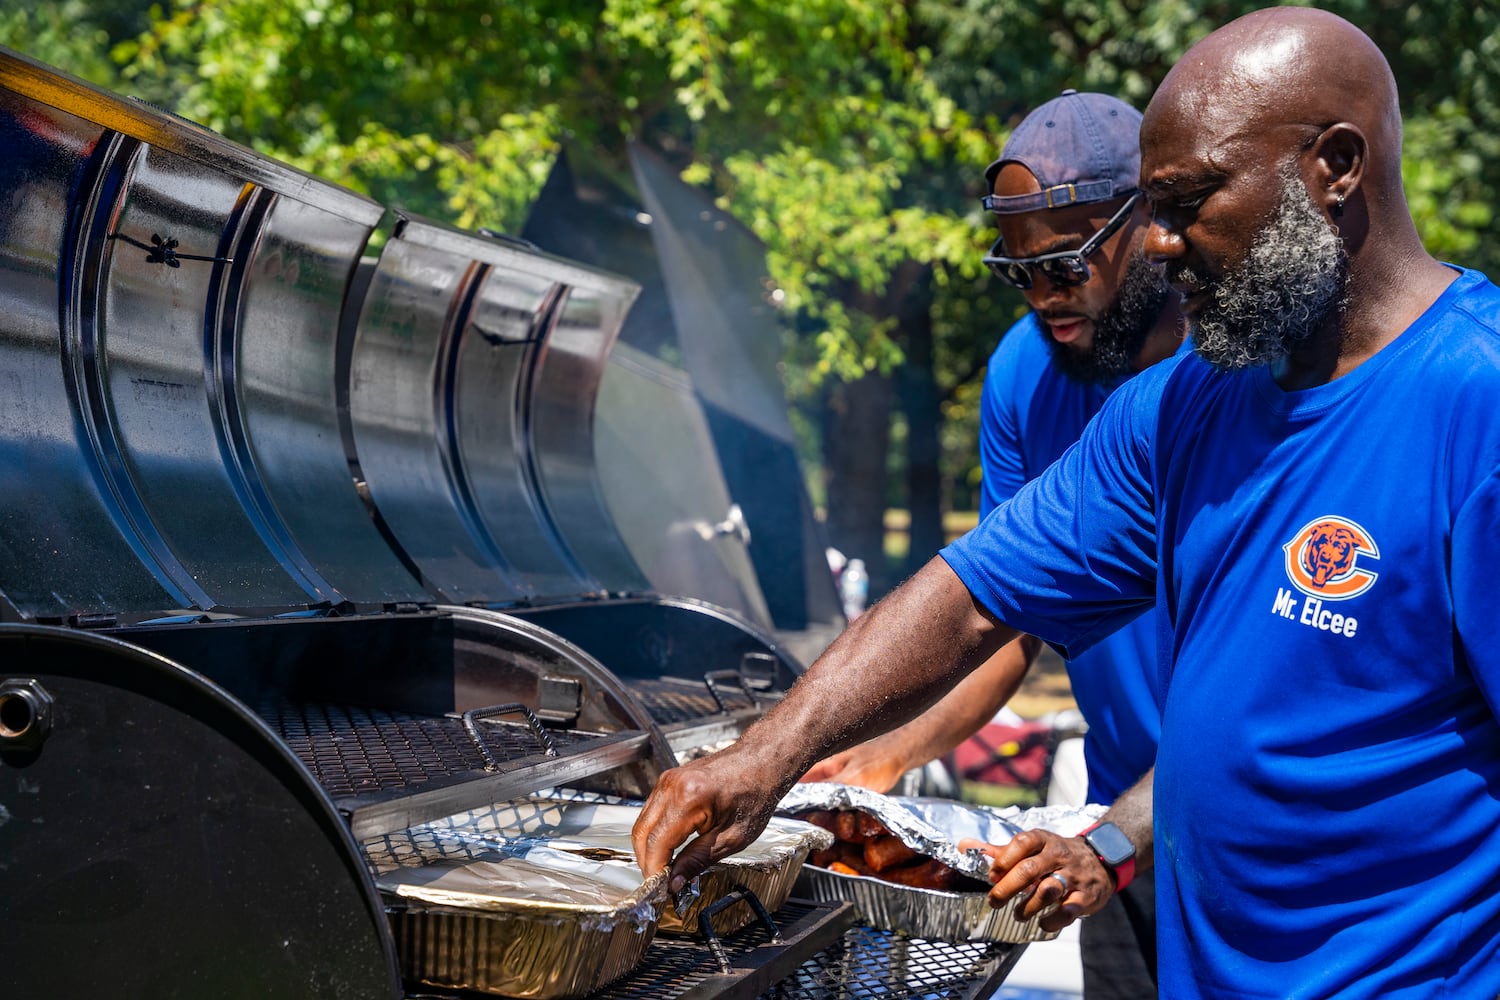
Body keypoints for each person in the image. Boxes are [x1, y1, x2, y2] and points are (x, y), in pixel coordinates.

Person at [633, 6, 1500, 996]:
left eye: (1188, 202)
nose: (1162, 246)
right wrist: (767, 757)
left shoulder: (1475, 410)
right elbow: (975, 596)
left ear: (1333, 168)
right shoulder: (1186, 403)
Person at [800, 89, 1179, 998]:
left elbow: (1265, 686)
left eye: (1069, 262)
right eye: (1021, 272)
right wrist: (890, 747)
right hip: (1118, 818)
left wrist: (1126, 836)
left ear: (1150, 224)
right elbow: (1007, 620)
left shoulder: (1230, 380)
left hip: (1245, 830)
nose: (1047, 297)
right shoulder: (1023, 372)